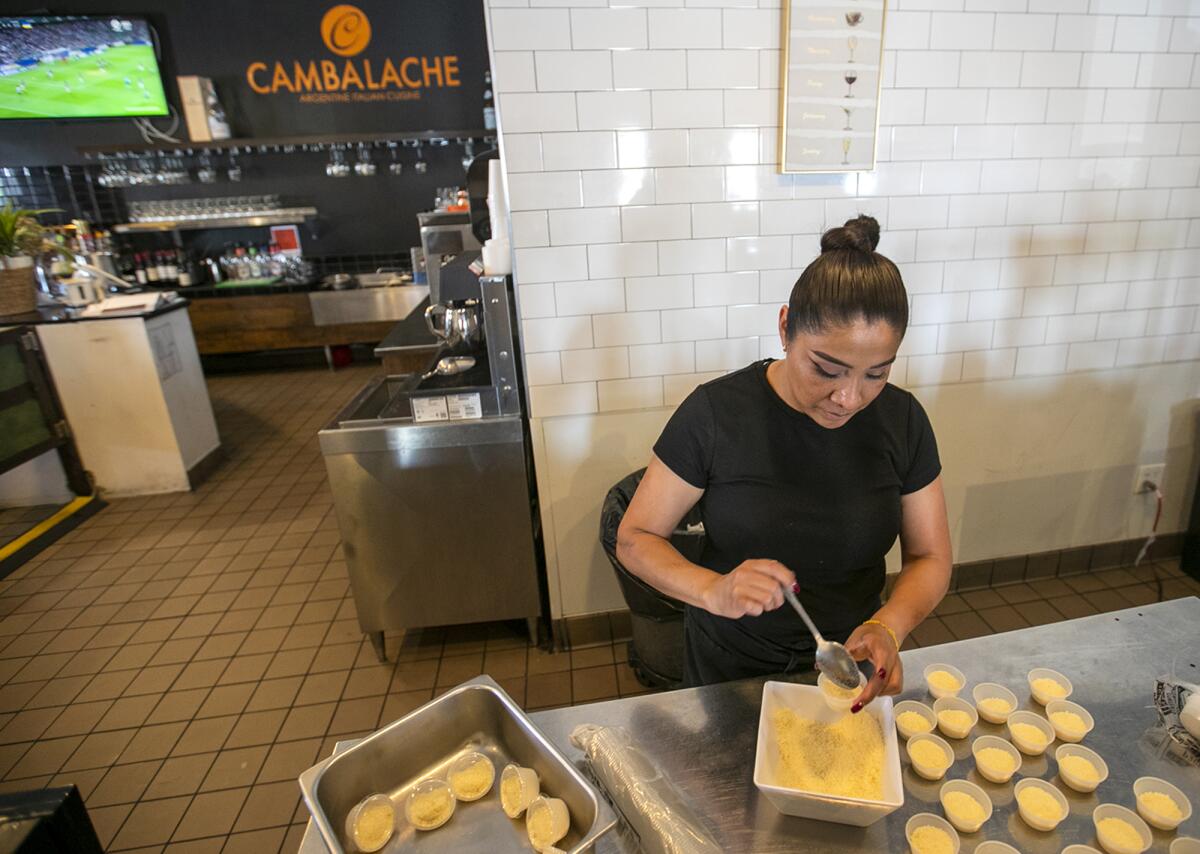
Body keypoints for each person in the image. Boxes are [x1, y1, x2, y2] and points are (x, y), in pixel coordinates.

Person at [616, 215, 952, 712]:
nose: (848, 397)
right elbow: (635, 538)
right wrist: (715, 590)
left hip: (847, 666)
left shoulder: (902, 421)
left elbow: (930, 557)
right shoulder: (716, 414)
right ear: (784, 328)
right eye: (825, 369)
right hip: (729, 666)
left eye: (876, 374)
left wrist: (889, 625)